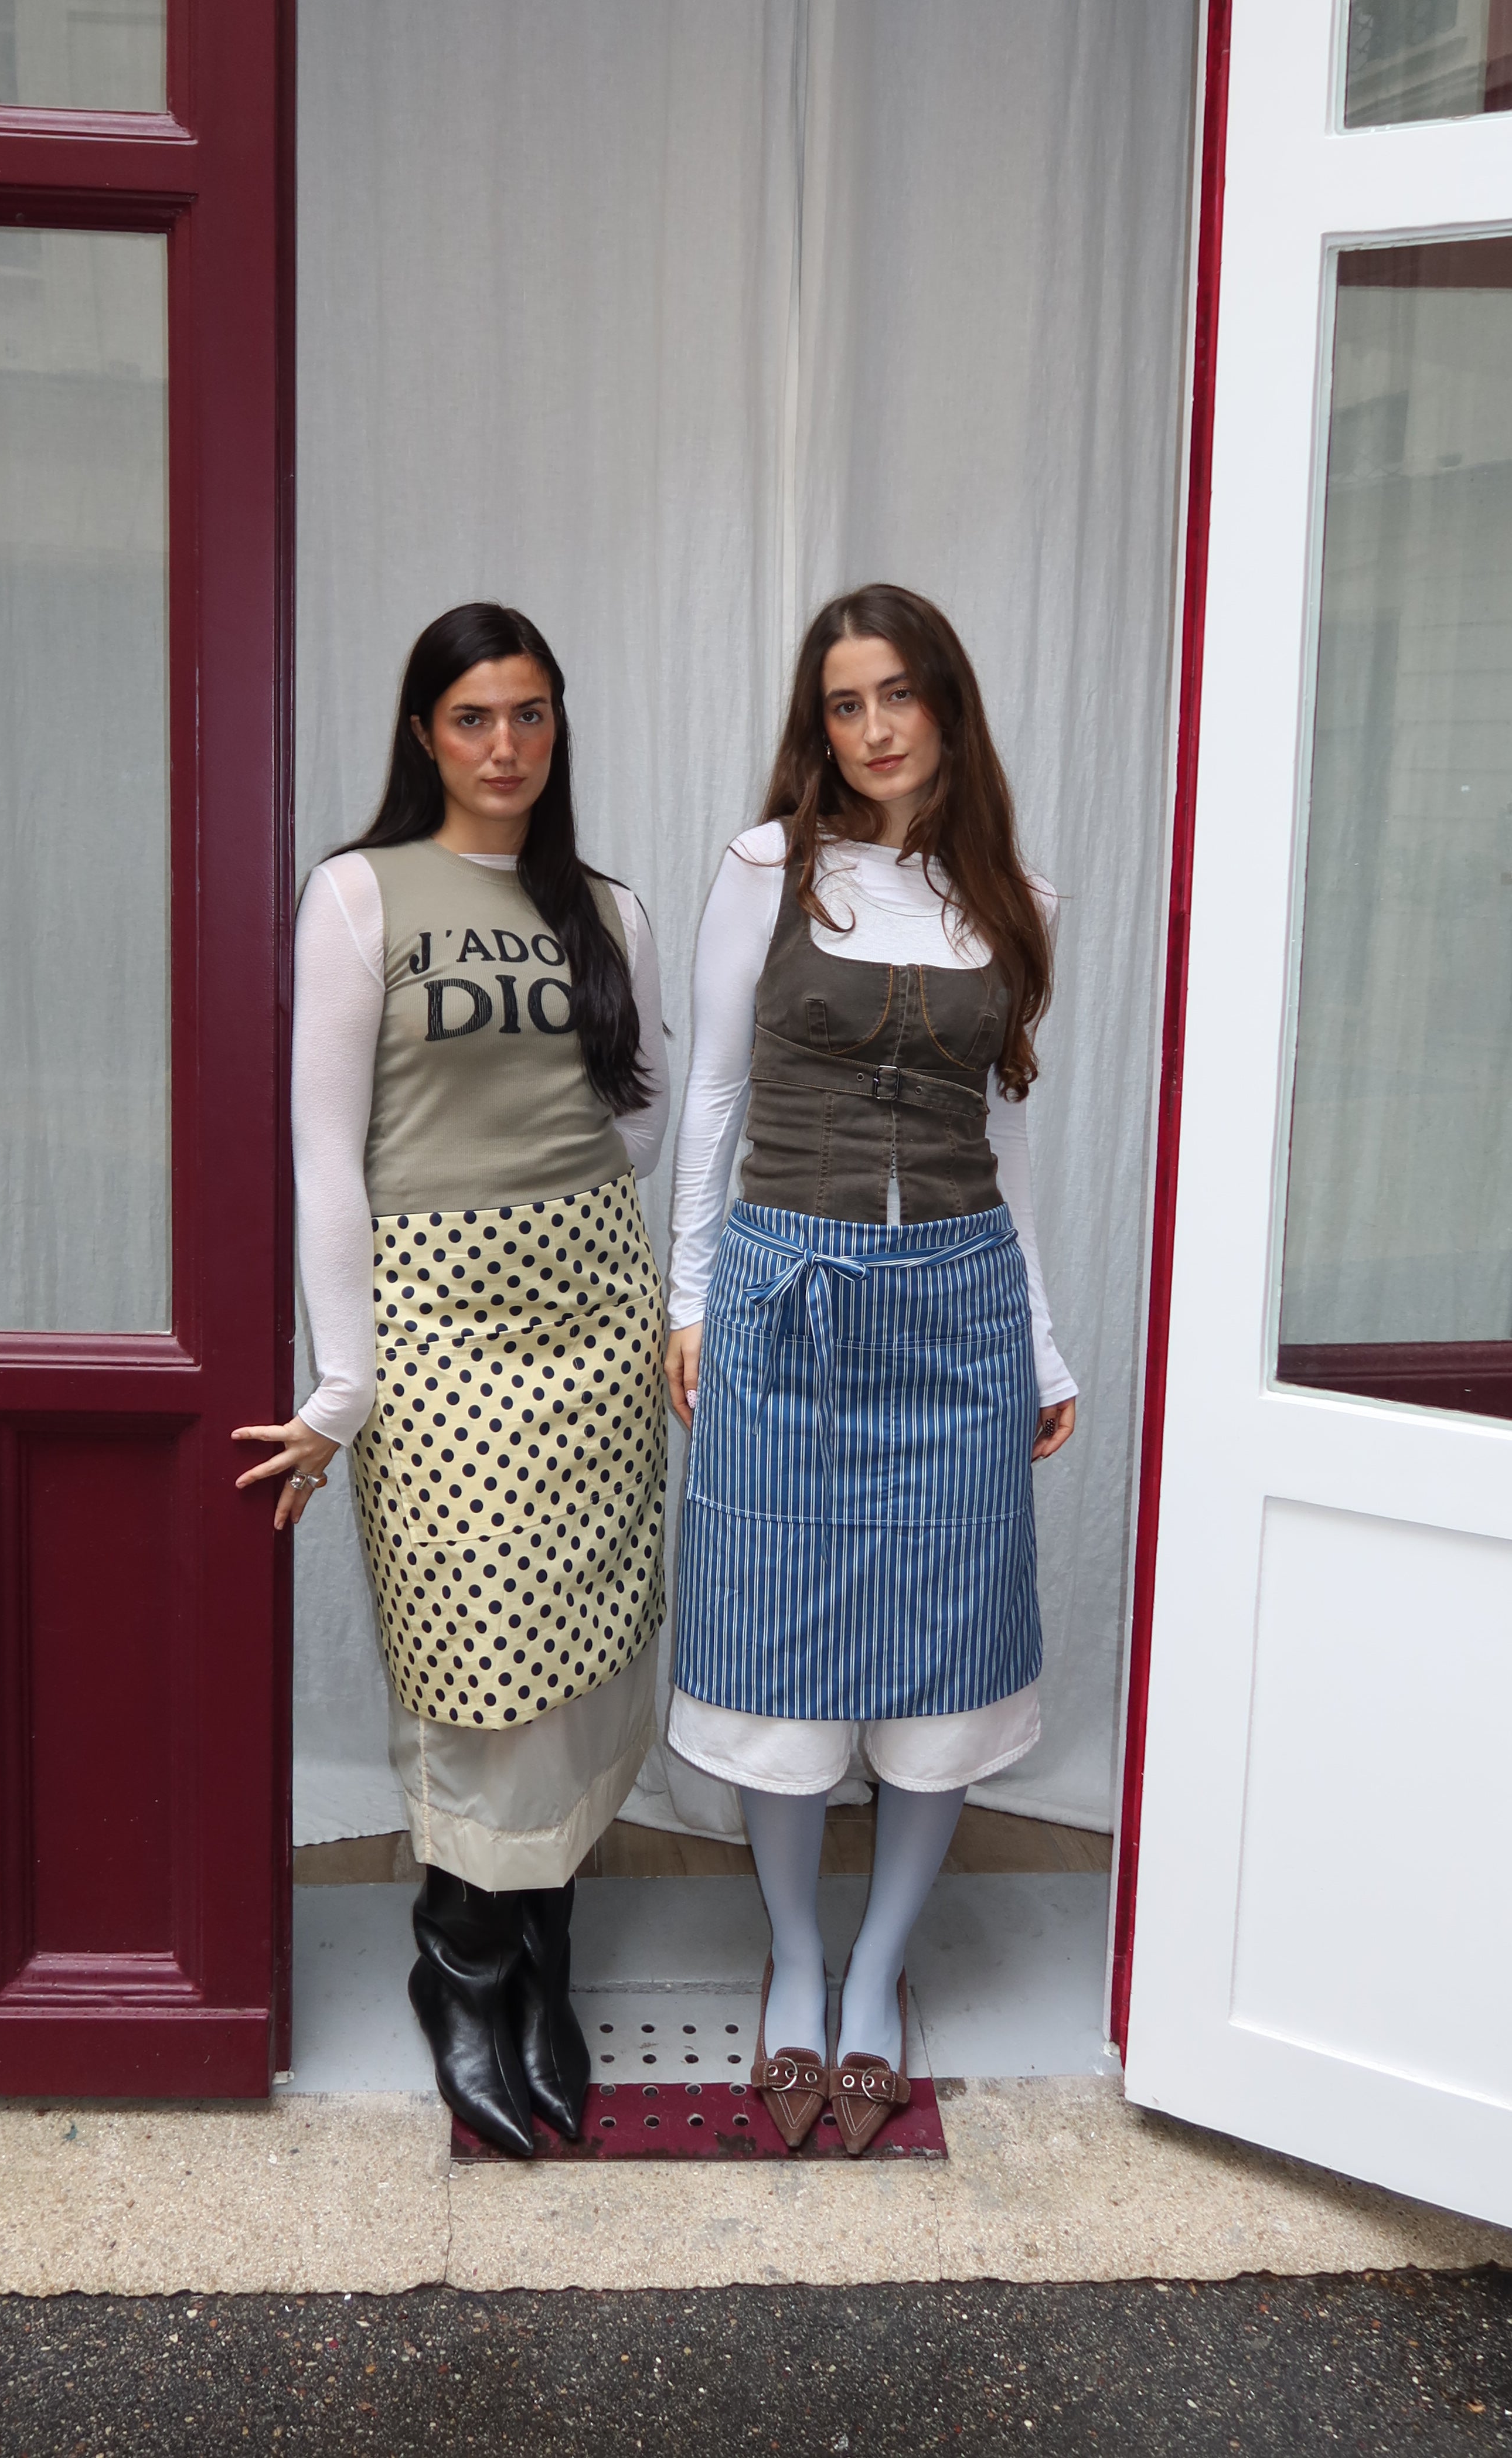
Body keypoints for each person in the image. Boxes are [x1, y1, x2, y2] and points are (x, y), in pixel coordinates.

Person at [235, 602, 669, 2159]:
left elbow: (636, 1120)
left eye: (532, 717)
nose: (505, 748)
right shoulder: (362, 894)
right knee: (478, 1660)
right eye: (475, 718)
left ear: (560, 730)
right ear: (425, 732)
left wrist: (579, 1246)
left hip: (596, 1326)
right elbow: (322, 1151)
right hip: (441, 1329)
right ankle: (461, 1971)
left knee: (583, 1654)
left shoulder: (605, 905)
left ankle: (541, 1956)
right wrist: (344, 1380)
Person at [663, 583, 1077, 2155]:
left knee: (945, 1643)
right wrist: (692, 1299)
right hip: (786, 1289)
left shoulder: (1014, 898)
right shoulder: (768, 874)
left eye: (899, 693)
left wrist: (1040, 1336)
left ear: (947, 706)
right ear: (815, 725)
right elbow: (711, 1097)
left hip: (960, 1302)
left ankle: (884, 1974)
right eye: (845, 703)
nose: (875, 727)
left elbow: (1010, 1138)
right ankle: (801, 1965)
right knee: (779, 1635)